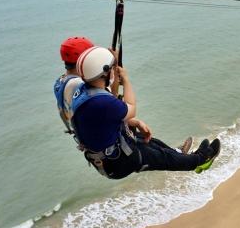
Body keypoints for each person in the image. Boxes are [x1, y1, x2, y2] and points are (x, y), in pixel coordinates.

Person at [70, 46, 220, 179]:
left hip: (109, 155)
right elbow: (131, 108)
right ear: (105, 72)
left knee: (151, 142)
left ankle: (178, 153)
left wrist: (114, 63)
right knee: (162, 158)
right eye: (111, 69)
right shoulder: (102, 102)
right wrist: (126, 80)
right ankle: (201, 160)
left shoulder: (85, 92)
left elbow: (110, 101)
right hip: (120, 163)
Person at [53, 36, 193, 154]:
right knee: (147, 150)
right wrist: (115, 66)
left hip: (95, 131)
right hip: (105, 140)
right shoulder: (80, 85)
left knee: (149, 141)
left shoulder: (61, 82)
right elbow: (110, 97)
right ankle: (180, 156)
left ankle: (176, 152)